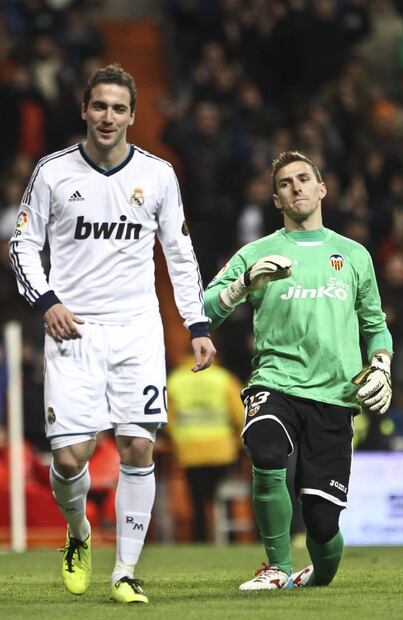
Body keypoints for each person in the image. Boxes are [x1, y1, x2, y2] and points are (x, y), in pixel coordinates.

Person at [8, 64, 216, 604]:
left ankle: (124, 571)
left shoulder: (159, 175)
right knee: (72, 458)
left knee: (137, 446)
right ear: (83, 110)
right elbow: (22, 246)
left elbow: (180, 253)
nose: (108, 116)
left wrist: (196, 323)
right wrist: (47, 301)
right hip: (72, 330)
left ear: (132, 114)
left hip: (137, 332)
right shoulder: (53, 172)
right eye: (99, 106)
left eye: (119, 108)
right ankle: (78, 534)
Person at [204, 150, 393, 590]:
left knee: (322, 520)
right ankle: (277, 567)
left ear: (322, 188)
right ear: (276, 199)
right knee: (265, 447)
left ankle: (320, 574)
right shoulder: (256, 252)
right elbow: (204, 310)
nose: (297, 187)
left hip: (334, 394)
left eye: (304, 179)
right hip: (275, 381)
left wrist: (381, 365)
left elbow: (375, 326)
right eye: (286, 183)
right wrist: (241, 285)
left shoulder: (353, 256)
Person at [167, 351, 244, 541]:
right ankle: (229, 537)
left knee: (197, 497)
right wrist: (239, 442)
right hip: (222, 449)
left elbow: (168, 418)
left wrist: (176, 440)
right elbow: (241, 413)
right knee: (223, 494)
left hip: (189, 449)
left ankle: (201, 536)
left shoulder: (175, 380)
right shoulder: (224, 378)